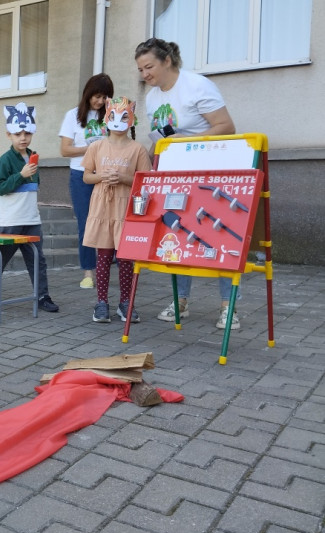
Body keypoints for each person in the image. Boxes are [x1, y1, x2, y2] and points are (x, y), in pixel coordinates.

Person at [134, 38, 239, 329]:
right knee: (178, 234)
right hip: (176, 174)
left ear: (167, 61)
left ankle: (227, 307)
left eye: (149, 67)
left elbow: (227, 126)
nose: (145, 75)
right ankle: (181, 301)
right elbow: (160, 136)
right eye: (141, 69)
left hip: (211, 171)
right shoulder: (153, 96)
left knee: (221, 237)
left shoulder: (197, 85)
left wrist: (189, 140)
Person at [0, 102, 58, 313]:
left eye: (27, 132)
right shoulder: (5, 159)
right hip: (12, 220)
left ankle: (42, 296)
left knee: (38, 260)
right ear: (8, 135)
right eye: (18, 133)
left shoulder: (32, 156)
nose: (23, 137)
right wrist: (21, 175)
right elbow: (0, 188)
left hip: (31, 219)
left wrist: (28, 177)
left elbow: (33, 186)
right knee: (1, 258)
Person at [82, 96, 151, 323]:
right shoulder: (96, 146)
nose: (118, 121)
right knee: (103, 256)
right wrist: (102, 176)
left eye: (124, 116)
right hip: (102, 206)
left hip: (125, 207)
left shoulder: (137, 149)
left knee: (126, 258)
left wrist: (122, 177)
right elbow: (86, 177)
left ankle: (125, 303)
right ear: (106, 118)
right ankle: (101, 302)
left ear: (131, 120)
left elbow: (144, 181)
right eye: (113, 115)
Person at [59, 73, 114, 290]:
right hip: (80, 175)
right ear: (89, 93)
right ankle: (88, 272)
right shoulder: (73, 115)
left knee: (108, 222)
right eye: (97, 96)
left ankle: (104, 269)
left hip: (106, 176)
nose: (99, 101)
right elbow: (65, 150)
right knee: (86, 223)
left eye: (105, 97)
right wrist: (91, 148)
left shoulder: (110, 116)